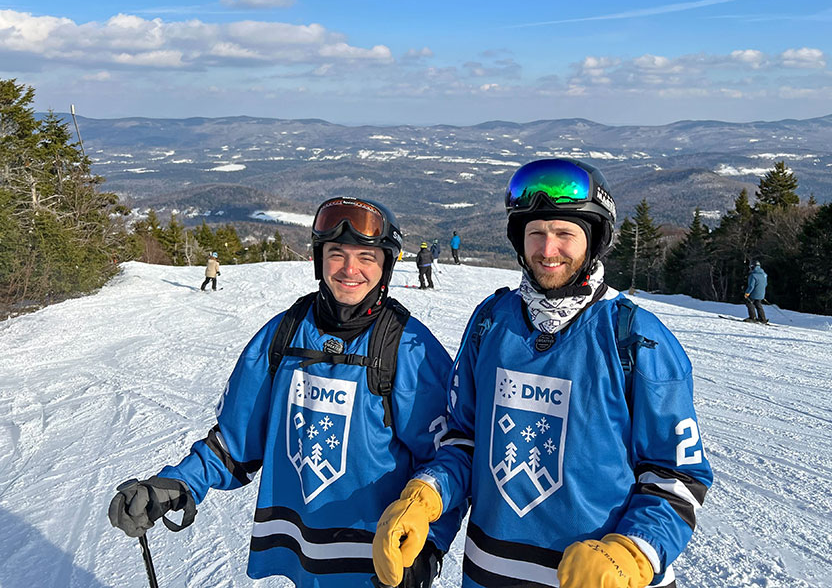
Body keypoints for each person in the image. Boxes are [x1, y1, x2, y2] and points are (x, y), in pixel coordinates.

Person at [373, 158, 713, 588]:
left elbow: (677, 475)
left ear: (594, 241)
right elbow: (464, 440)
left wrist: (634, 551)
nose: (548, 249)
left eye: (565, 233)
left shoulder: (636, 338)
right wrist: (427, 496)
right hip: (490, 573)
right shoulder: (490, 322)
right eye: (536, 232)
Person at [109, 197, 463, 588]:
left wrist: (427, 547)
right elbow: (234, 445)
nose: (350, 269)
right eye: (336, 254)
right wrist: (175, 484)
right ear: (318, 258)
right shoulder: (282, 336)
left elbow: (449, 458)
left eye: (366, 256)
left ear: (385, 266)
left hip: (381, 562)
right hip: (306, 559)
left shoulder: (409, 348)